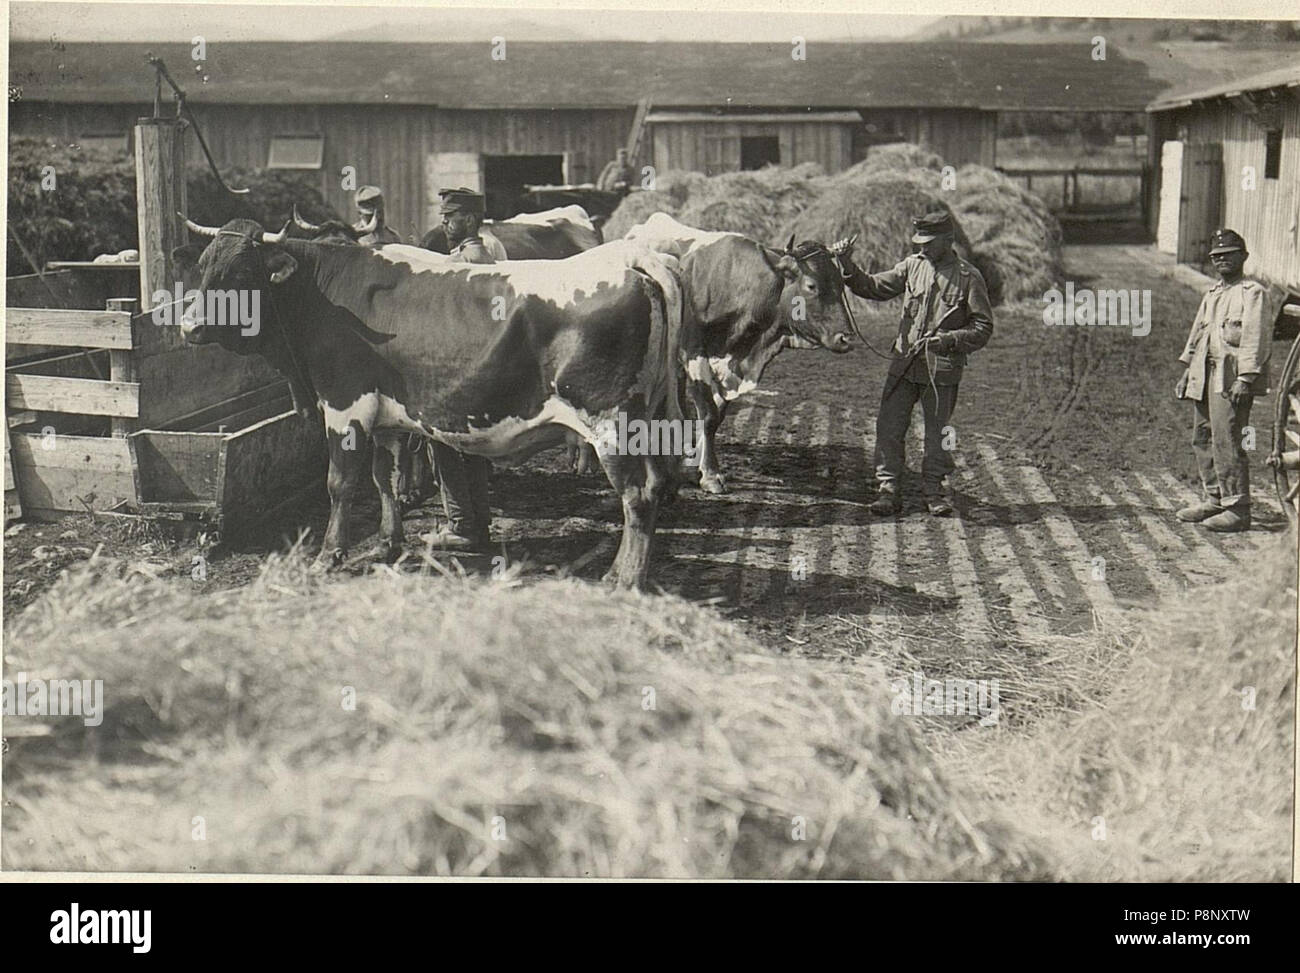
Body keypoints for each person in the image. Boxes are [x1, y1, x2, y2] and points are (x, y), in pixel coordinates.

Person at [832, 211, 994, 516]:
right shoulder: (912, 266)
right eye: (919, 242)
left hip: (940, 370)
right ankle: (888, 489)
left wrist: (947, 340)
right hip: (904, 364)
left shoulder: (968, 277)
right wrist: (847, 264)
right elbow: (873, 287)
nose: (922, 248)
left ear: (948, 240)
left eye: (929, 243)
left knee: (937, 435)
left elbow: (983, 326)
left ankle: (934, 491)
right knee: (889, 428)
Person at [1174, 228, 1273, 532]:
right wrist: (1187, 370)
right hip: (1203, 374)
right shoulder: (1213, 294)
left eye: (1228, 256)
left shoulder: (1252, 293)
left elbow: (1257, 338)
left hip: (1230, 379)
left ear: (1243, 257)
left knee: (1229, 438)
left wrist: (1245, 377)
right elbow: (1197, 335)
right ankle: (1213, 498)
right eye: (1217, 257)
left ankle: (1238, 508)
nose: (1222, 262)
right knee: (1202, 436)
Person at [422, 188, 497, 551]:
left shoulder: (463, 263)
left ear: (468, 219)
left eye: (449, 216)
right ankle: (478, 523)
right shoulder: (484, 257)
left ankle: (462, 526)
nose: (443, 222)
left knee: (444, 443)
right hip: (480, 367)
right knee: (473, 449)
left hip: (458, 369)